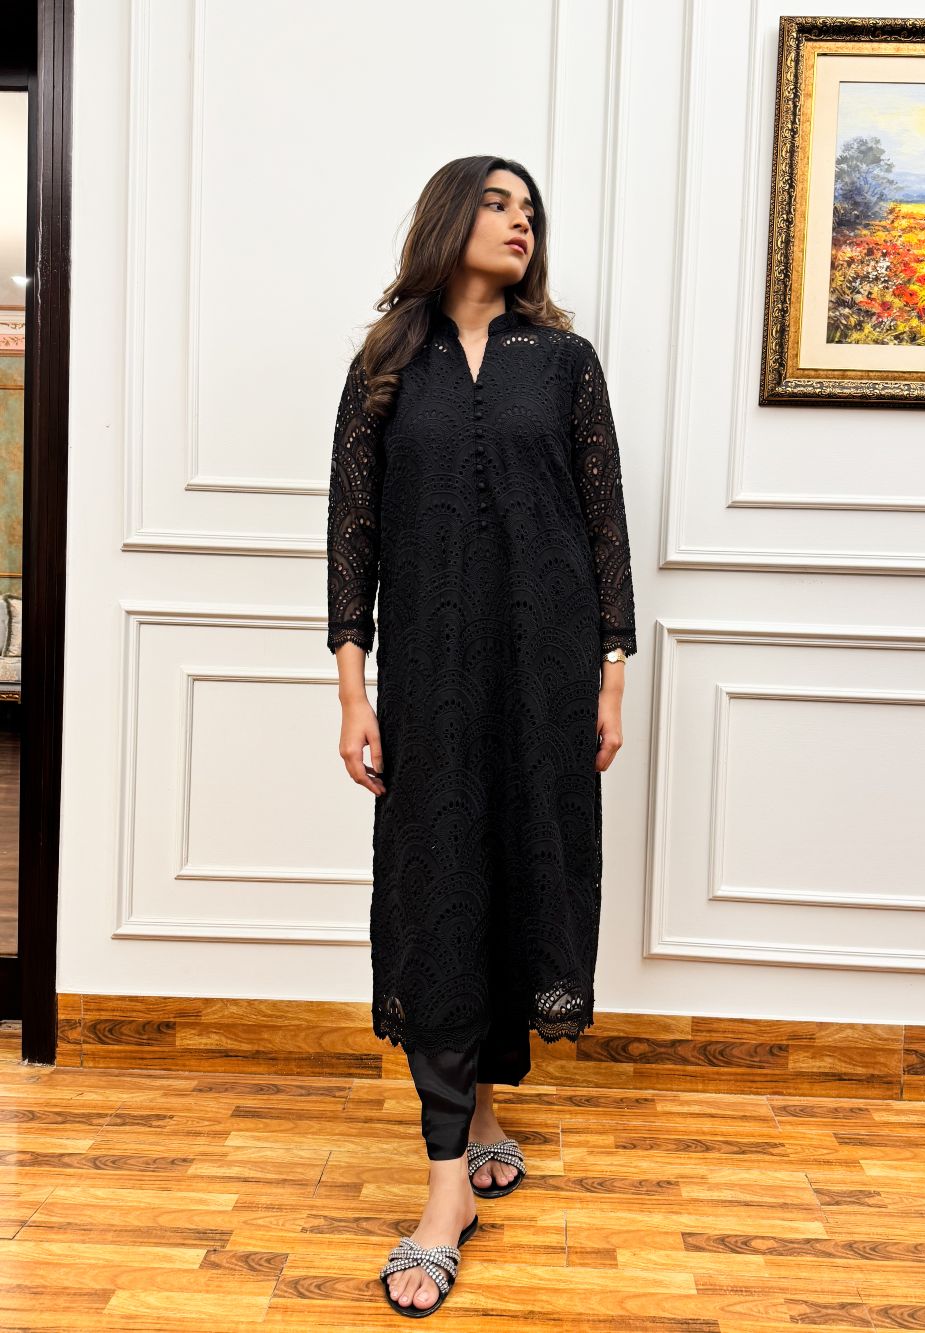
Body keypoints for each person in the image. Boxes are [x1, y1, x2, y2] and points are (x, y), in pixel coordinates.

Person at [326, 155, 638, 1316]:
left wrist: (611, 673)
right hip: (430, 676)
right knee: (435, 892)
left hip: (545, 671)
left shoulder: (561, 361)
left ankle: (484, 1110)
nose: (520, 223)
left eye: (531, 211)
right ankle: (444, 1187)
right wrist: (353, 692)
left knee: (515, 874)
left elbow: (603, 518)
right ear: (450, 216)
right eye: (499, 203)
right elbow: (351, 533)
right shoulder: (383, 364)